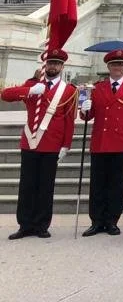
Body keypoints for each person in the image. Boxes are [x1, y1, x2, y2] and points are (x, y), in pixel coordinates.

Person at [2, 48, 77, 239]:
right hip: (30, 142)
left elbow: (69, 119)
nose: (53, 66)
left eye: (57, 63)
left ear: (62, 66)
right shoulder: (33, 85)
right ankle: (25, 225)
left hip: (52, 144)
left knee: (46, 186)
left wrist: (66, 145)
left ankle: (42, 224)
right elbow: (6, 95)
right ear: (45, 65)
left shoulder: (68, 90)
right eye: (50, 63)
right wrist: (30, 90)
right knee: (26, 185)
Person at [80, 50, 123, 236]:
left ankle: (112, 220)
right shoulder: (97, 88)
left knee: (117, 184)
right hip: (101, 141)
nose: (118, 68)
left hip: (121, 141)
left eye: (121, 65)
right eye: (114, 65)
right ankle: (96, 220)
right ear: (108, 67)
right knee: (98, 183)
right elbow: (87, 116)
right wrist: (84, 108)